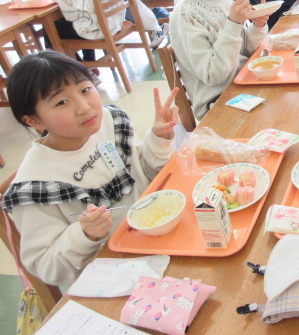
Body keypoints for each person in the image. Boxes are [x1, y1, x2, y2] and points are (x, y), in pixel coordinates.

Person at [1, 50, 178, 286]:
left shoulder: (110, 121)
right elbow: (47, 267)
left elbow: (147, 175)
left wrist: (158, 138)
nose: (84, 107)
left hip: (161, 236)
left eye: (85, 89)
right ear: (34, 120)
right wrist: (84, 235)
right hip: (115, 276)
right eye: (61, 102)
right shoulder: (34, 185)